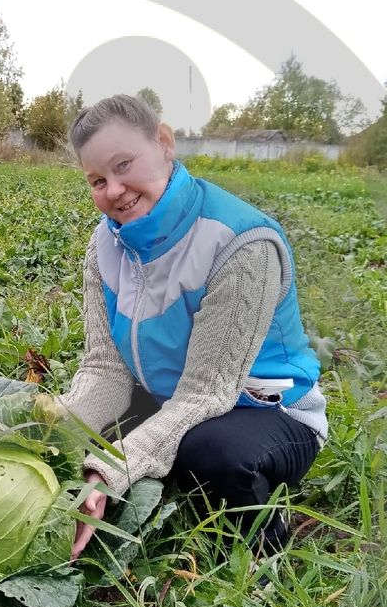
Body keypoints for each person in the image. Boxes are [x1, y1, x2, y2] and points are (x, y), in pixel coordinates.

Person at [60, 94, 327, 561]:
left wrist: (111, 468)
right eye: (98, 180)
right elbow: (105, 370)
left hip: (265, 410)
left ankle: (261, 549)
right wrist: (49, 429)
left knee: (208, 452)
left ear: (163, 142)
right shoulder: (105, 244)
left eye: (124, 165)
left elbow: (206, 394)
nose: (114, 190)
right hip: (170, 396)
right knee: (69, 434)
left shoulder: (241, 241)